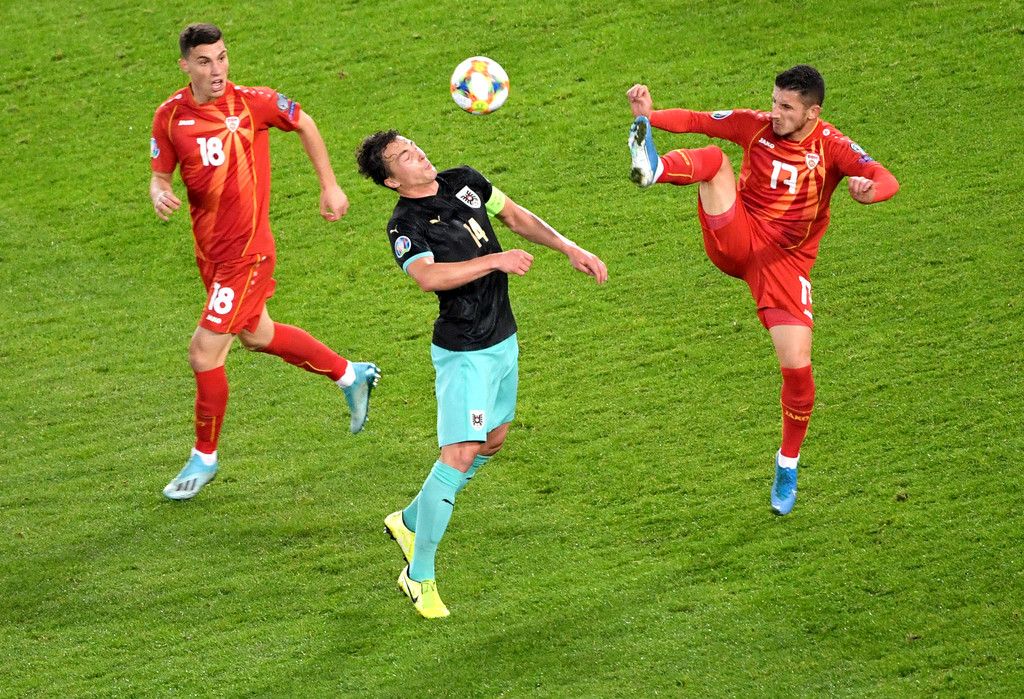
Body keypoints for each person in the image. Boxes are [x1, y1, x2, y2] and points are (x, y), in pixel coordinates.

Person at [626, 65, 899, 516]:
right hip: (738, 235)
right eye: (774, 101)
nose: (775, 112)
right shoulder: (755, 125)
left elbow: (887, 178)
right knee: (715, 160)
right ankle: (654, 168)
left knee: (798, 370)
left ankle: (787, 464)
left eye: (786, 107)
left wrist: (871, 192)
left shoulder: (832, 146)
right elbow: (697, 120)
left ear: (812, 112)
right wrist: (648, 116)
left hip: (786, 265)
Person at [355, 131, 608, 618]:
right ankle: (419, 575)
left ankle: (410, 521)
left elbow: (514, 215)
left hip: (501, 337)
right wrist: (495, 260)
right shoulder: (405, 224)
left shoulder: (463, 181)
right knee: (460, 453)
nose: (418, 154)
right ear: (391, 181)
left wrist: (567, 246)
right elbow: (427, 276)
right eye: (404, 156)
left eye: (414, 145)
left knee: (492, 441)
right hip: (464, 349)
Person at [150, 23, 380, 501]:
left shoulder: (253, 103)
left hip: (247, 255)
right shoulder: (169, 116)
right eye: (205, 61)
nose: (217, 69)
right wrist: (159, 190)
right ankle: (349, 374)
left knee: (204, 353)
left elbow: (305, 122)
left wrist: (329, 184)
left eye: (222, 57)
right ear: (186, 65)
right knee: (257, 335)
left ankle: (204, 457)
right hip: (211, 256)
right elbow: (161, 174)